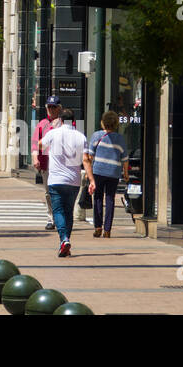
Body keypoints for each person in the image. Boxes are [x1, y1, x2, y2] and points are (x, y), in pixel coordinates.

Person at [39, 108, 87, 258]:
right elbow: (86, 159)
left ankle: (64, 240)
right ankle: (65, 241)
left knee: (58, 211)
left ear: (60, 119)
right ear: (73, 120)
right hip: (73, 180)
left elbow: (40, 145)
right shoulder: (81, 136)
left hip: (56, 180)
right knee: (68, 212)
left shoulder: (53, 133)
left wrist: (53, 128)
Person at [83, 111, 130, 239]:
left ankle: (98, 227)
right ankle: (107, 230)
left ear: (103, 122)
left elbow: (90, 156)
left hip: (98, 171)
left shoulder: (96, 135)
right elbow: (125, 158)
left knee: (98, 198)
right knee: (110, 199)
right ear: (115, 124)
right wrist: (126, 174)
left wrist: (89, 172)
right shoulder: (120, 138)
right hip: (113, 172)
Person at [33, 96, 62, 230]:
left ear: (59, 108)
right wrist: (35, 159)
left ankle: (62, 217)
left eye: (53, 107)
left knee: (62, 192)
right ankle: (51, 218)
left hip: (62, 163)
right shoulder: (42, 124)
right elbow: (35, 145)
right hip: (47, 163)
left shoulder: (65, 124)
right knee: (49, 192)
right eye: (49, 107)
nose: (51, 109)